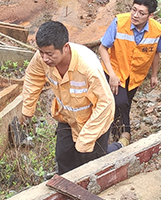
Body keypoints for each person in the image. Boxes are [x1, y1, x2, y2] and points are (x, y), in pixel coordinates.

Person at [21, 20, 115, 175]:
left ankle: (117, 148)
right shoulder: (42, 58)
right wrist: (28, 109)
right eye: (41, 52)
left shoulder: (88, 68)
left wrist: (85, 140)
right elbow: (33, 76)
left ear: (65, 47)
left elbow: (106, 104)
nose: (44, 58)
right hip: (67, 117)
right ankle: (67, 191)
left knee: (89, 161)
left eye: (49, 54)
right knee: (63, 157)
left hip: (93, 121)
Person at [98, 0, 161, 147]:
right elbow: (102, 48)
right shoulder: (119, 22)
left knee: (125, 103)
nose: (135, 15)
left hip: (135, 75)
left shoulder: (157, 30)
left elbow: (156, 53)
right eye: (133, 10)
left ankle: (116, 133)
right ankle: (126, 133)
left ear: (150, 15)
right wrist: (112, 75)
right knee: (121, 102)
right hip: (115, 71)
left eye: (141, 13)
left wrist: (154, 75)